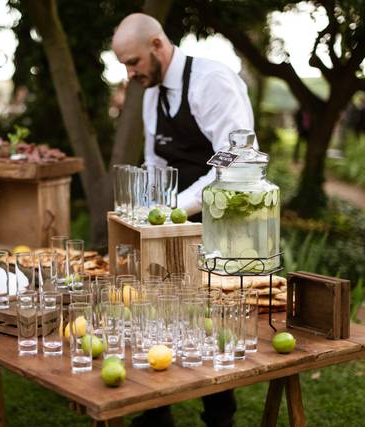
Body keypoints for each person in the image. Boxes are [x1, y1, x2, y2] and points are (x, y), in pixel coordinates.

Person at [112, 13, 255, 427]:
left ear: (157, 45)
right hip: (172, 223)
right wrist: (147, 210)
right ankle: (157, 411)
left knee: (211, 317)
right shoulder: (153, 90)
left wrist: (177, 209)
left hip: (221, 219)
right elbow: (157, 161)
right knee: (161, 312)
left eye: (133, 61)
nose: (130, 72)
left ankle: (218, 415)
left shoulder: (213, 81)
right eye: (125, 64)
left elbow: (236, 159)